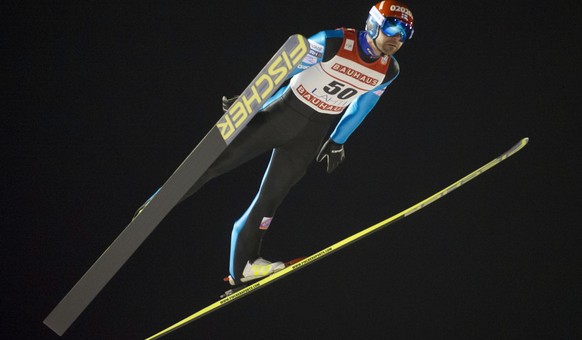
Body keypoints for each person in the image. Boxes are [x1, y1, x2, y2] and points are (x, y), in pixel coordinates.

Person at [136, 1, 414, 285]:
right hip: (282, 114)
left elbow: (362, 106)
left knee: (272, 197)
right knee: (214, 164)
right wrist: (251, 100)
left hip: (311, 133)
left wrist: (337, 140)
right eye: (392, 28)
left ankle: (243, 265)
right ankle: (156, 205)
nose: (397, 38)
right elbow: (284, 68)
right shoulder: (334, 41)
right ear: (373, 24)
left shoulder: (388, 70)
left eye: (405, 34)